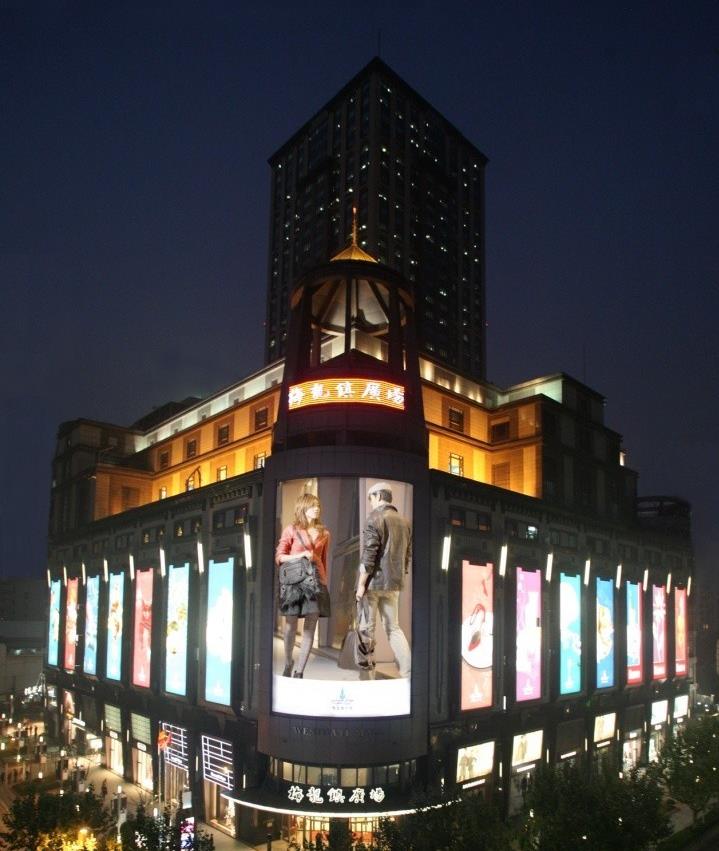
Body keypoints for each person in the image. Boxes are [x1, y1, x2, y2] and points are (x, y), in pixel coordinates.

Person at [355, 482, 412, 678]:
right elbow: (407, 555)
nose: (371, 503)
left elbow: (369, 555)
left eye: (371, 498)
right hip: (394, 584)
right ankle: (408, 674)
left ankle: (367, 678)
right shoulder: (404, 522)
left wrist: (361, 584)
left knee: (366, 630)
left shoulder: (374, 518)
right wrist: (399, 575)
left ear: (378, 496)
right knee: (394, 628)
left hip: (372, 584)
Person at [275, 493, 331, 678]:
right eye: (313, 505)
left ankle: (299, 672)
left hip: (316, 583)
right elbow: (279, 557)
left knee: (310, 626)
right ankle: (288, 662)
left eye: (318, 505)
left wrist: (324, 583)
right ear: (303, 508)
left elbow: (323, 560)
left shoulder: (325, 533)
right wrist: (300, 555)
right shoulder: (291, 530)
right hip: (294, 583)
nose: (317, 509)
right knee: (290, 625)